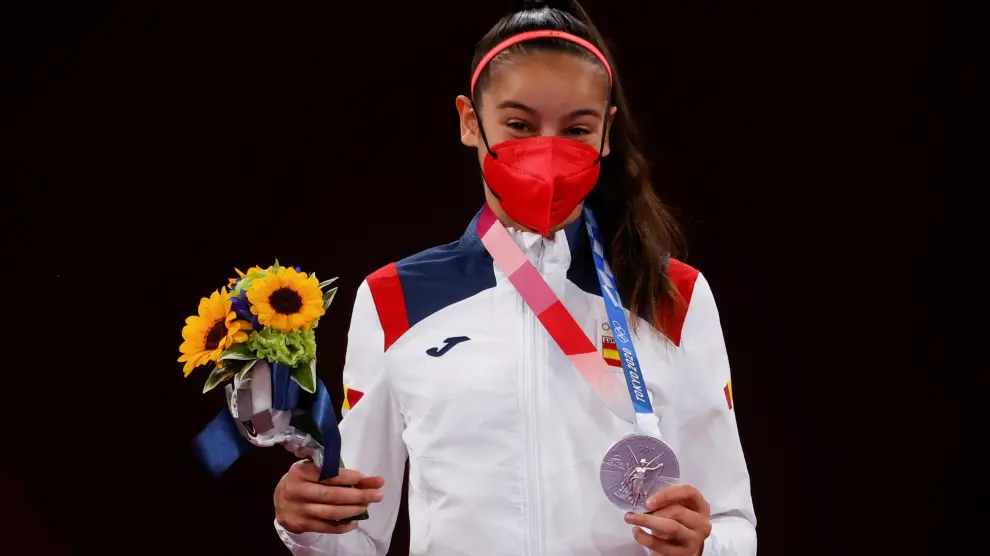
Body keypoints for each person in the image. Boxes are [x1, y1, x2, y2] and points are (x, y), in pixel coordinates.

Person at [272, 0, 757, 554]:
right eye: (520, 125)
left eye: (576, 129)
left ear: (606, 133)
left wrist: (705, 546)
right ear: (469, 121)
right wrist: (307, 523)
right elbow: (357, 534)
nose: (547, 151)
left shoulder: (674, 296)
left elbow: (733, 525)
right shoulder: (395, 298)